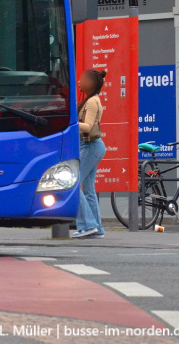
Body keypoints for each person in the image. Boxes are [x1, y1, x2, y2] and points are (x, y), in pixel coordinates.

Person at [72, 68, 107, 239]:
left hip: (91, 146)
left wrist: (70, 124)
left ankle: (88, 225)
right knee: (88, 190)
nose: (79, 81)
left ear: (91, 83)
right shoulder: (90, 100)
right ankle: (97, 228)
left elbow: (88, 126)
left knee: (71, 184)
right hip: (91, 146)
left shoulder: (92, 101)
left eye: (82, 79)